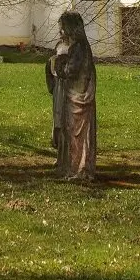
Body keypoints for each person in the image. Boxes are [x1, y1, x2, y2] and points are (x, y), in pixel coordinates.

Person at [45, 11, 97, 180]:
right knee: (72, 133)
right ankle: (73, 166)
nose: (61, 32)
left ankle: (80, 169)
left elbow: (71, 71)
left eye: (62, 28)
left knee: (78, 134)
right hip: (75, 95)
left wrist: (59, 64)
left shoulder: (78, 47)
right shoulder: (80, 45)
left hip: (79, 97)